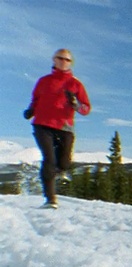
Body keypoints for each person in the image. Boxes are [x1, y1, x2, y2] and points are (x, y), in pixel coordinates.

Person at [23, 48, 91, 209]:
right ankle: (50, 199)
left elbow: (86, 108)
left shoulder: (75, 84)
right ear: (54, 60)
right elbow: (35, 99)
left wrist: (76, 105)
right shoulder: (43, 81)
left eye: (67, 60)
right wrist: (31, 110)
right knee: (49, 159)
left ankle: (52, 173)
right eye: (60, 58)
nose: (63, 61)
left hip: (64, 127)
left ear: (71, 63)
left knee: (64, 163)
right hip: (42, 125)